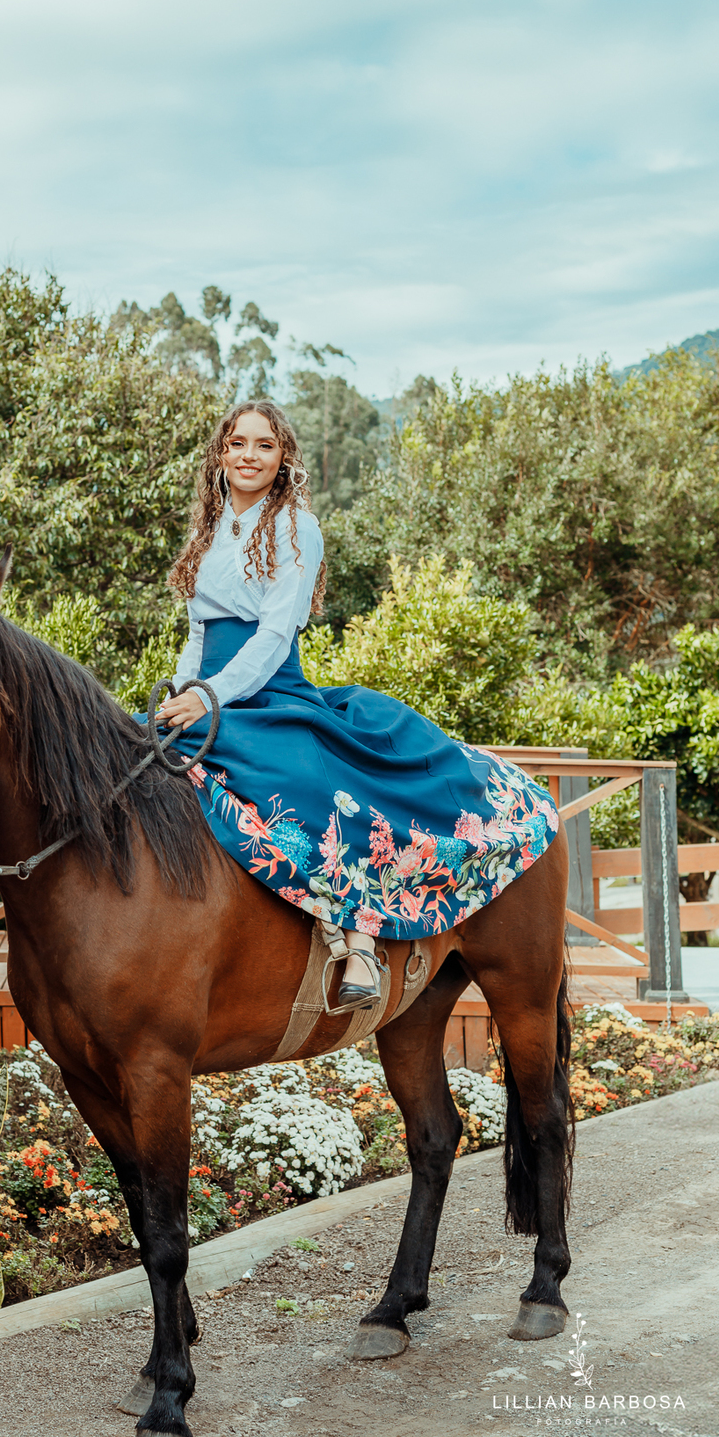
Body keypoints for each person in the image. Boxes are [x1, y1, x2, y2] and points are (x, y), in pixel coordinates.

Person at [154, 399, 560, 1010]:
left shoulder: (295, 528)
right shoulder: (207, 532)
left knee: (305, 779)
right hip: (204, 696)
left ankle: (359, 940)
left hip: (267, 692)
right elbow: (197, 633)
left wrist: (211, 697)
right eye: (237, 443)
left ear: (283, 457)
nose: (248, 455)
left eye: (264, 445)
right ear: (220, 453)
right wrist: (184, 692)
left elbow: (271, 637)